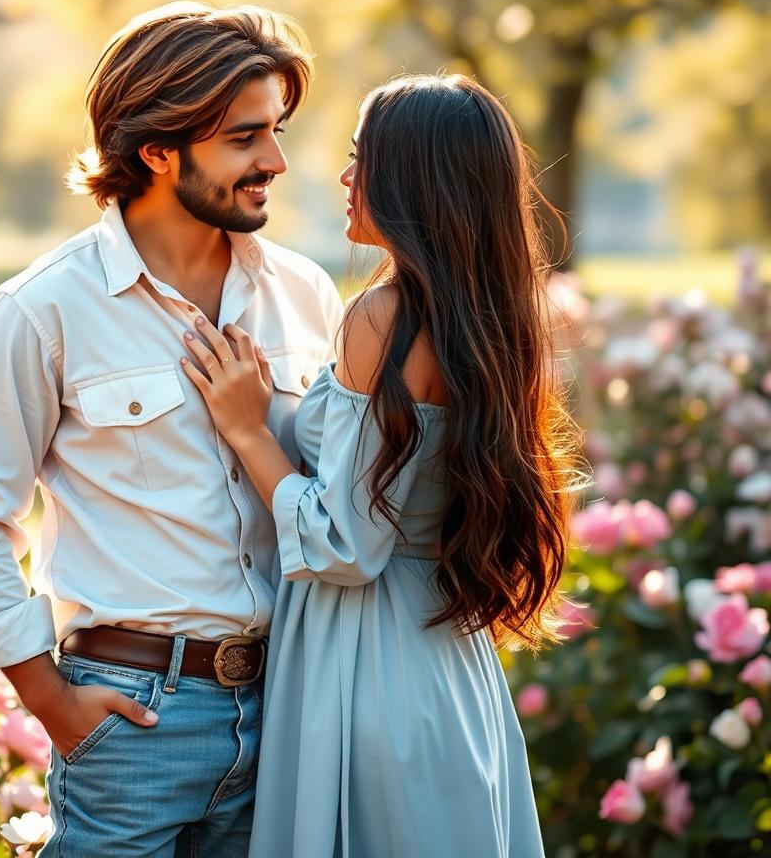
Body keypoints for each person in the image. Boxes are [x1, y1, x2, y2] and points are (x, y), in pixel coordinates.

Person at [0, 1, 344, 857]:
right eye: (245, 138)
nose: (277, 159)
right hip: (133, 716)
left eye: (275, 130)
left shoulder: (305, 295)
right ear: (158, 151)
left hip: (292, 707)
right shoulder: (41, 309)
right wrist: (53, 702)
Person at [180, 73, 583, 857]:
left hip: (367, 672)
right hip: (445, 671)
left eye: (363, 158)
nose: (342, 177)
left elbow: (346, 546)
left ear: (415, 179)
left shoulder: (385, 315)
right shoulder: (490, 320)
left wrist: (248, 430)